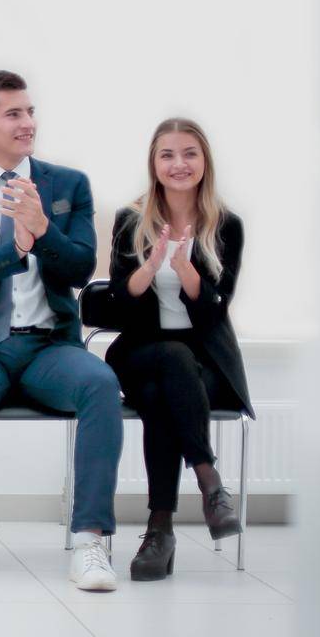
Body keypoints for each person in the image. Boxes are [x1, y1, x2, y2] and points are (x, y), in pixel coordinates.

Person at [0, 70, 123, 591]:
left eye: (30, 112)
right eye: (13, 113)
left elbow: (79, 270)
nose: (27, 122)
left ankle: (90, 539)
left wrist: (44, 230)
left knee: (101, 385)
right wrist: (14, 251)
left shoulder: (67, 184)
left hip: (48, 344)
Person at [106, 118, 250, 581]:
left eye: (189, 153)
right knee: (169, 359)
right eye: (167, 155)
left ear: (204, 161)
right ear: (154, 163)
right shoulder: (132, 218)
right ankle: (210, 484)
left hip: (202, 358)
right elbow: (120, 305)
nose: (179, 164)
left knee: (159, 395)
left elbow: (212, 313)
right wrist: (152, 264)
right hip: (140, 350)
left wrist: (186, 267)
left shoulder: (227, 226)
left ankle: (159, 530)